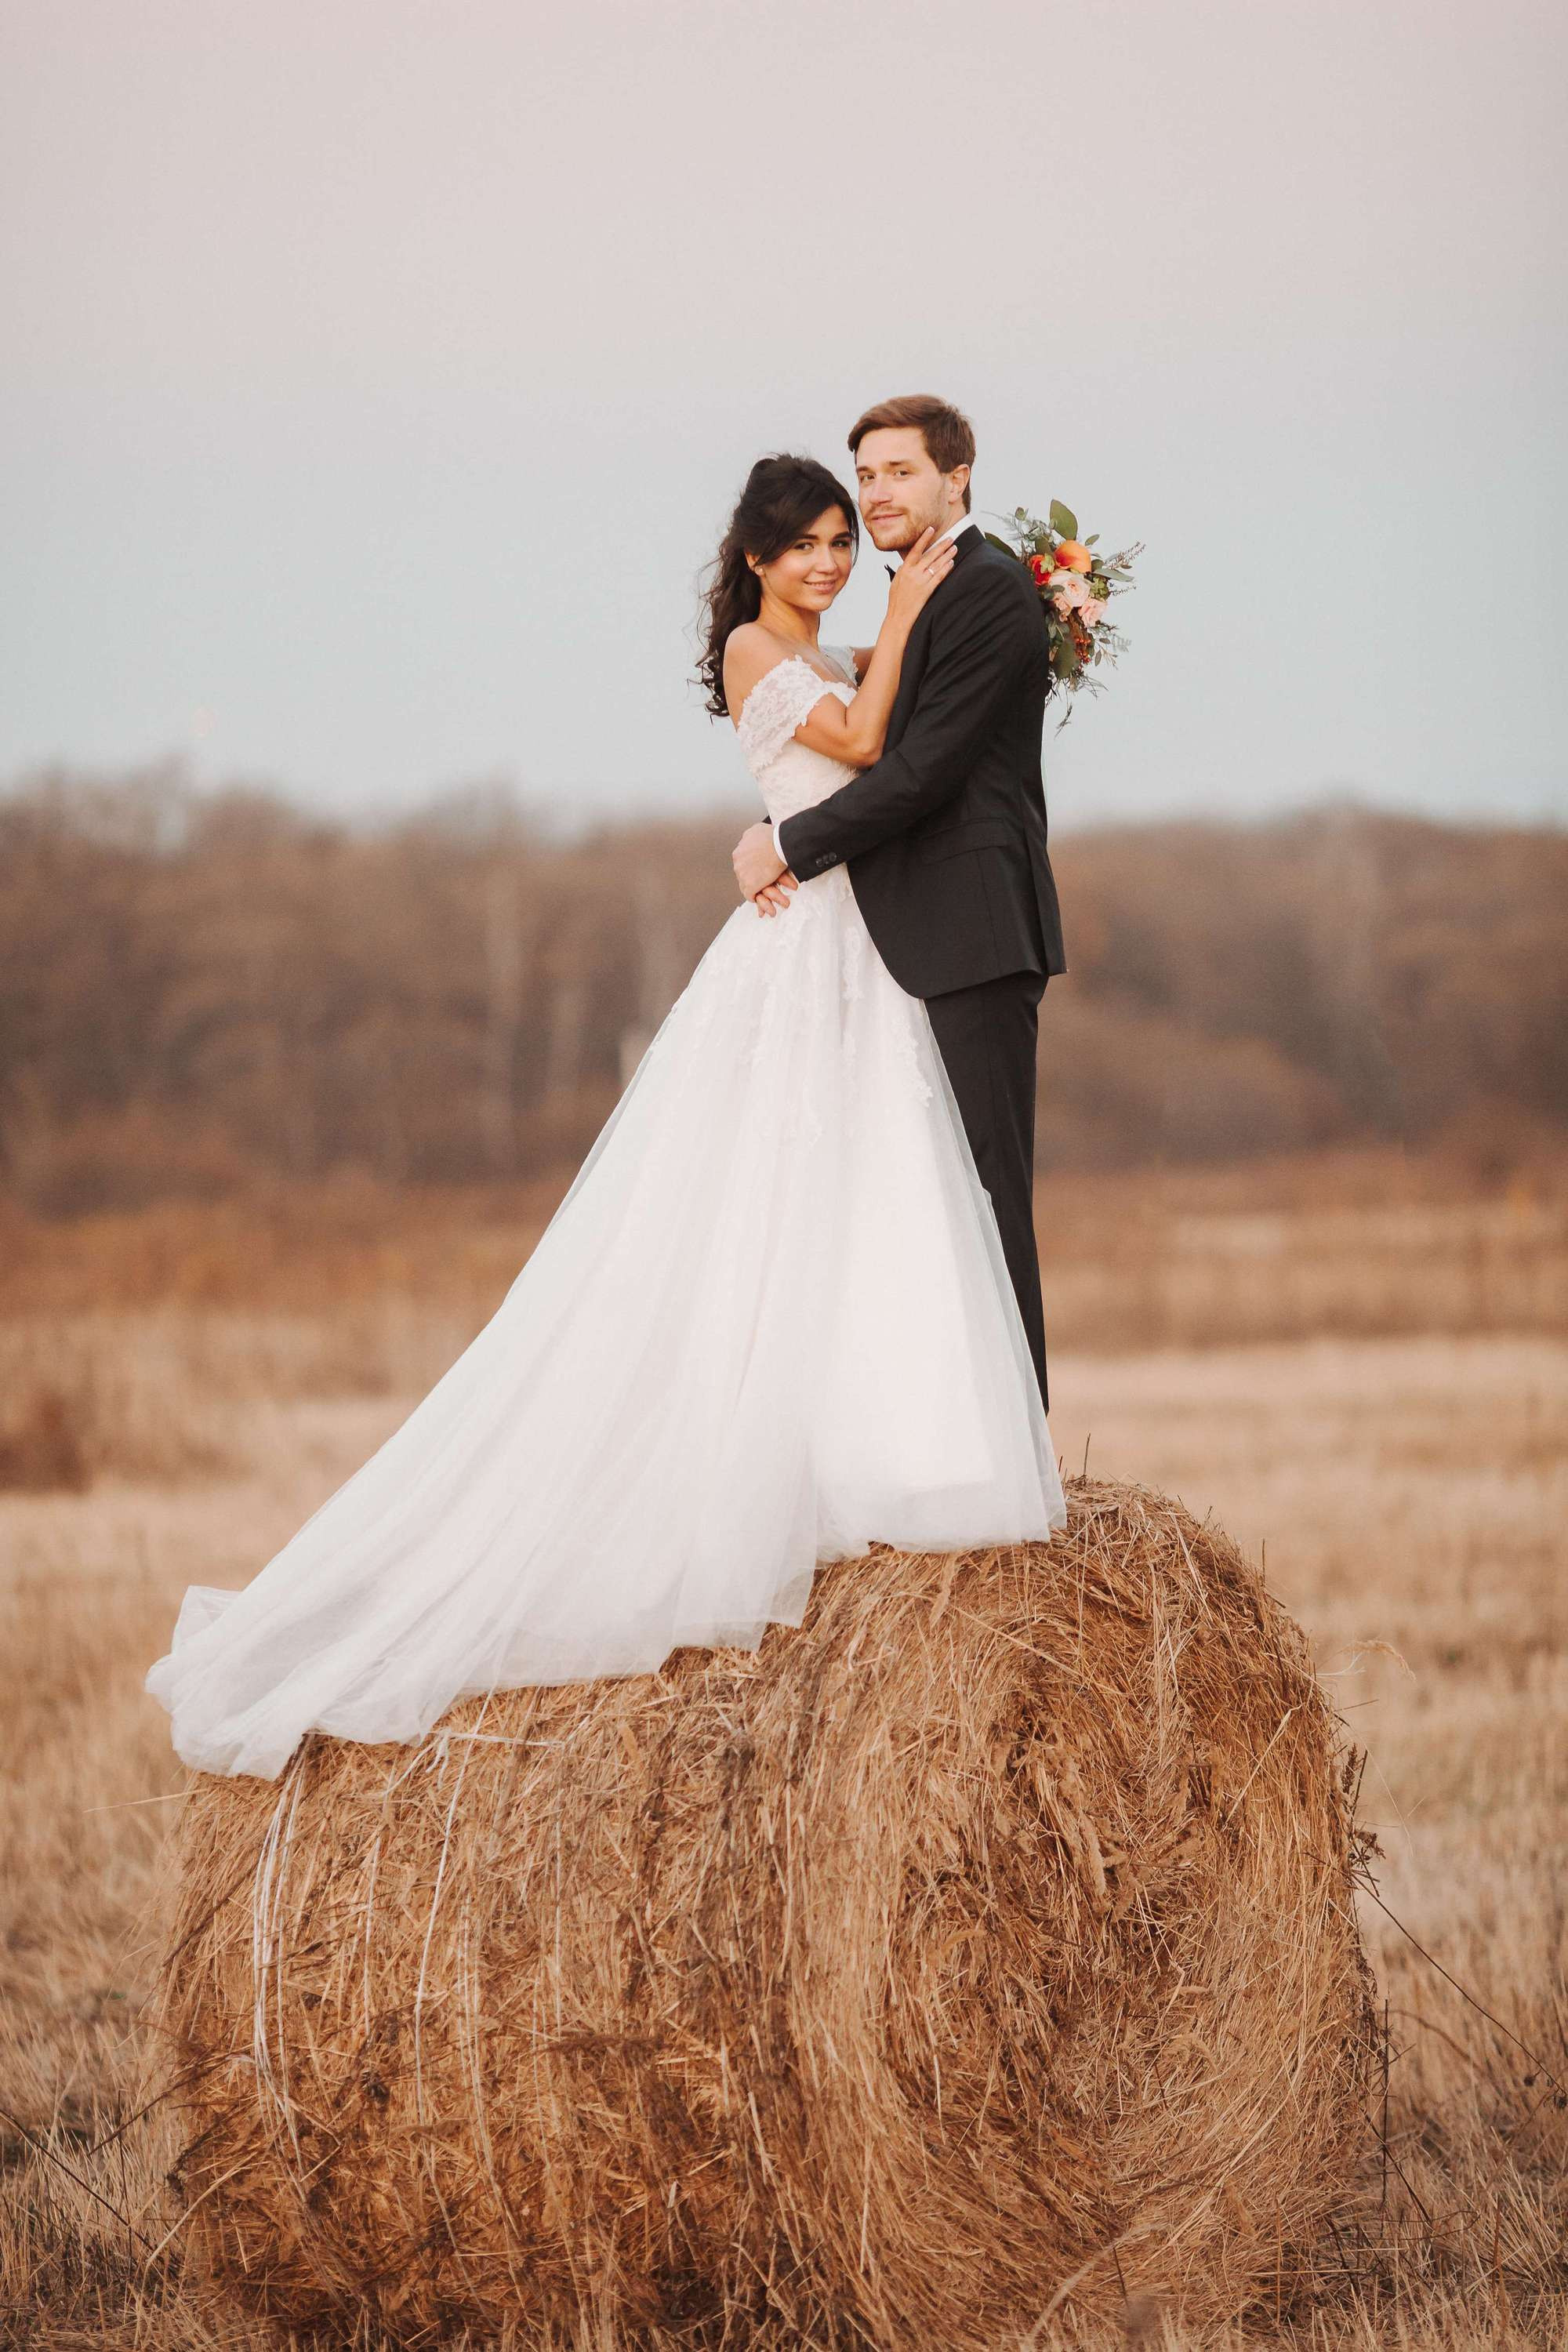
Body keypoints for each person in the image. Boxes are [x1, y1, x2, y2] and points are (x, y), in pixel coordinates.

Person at [145, 448, 1065, 1782]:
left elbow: (913, 747)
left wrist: (1001, 624)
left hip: (862, 950)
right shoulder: (762, 651)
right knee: (766, 1212)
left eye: (834, 540)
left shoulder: (832, 639)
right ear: (754, 560)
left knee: (868, 1210)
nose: (824, 559)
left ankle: (885, 1453)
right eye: (801, 543)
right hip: (807, 957)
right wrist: (921, 608)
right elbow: (869, 748)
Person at [731, 394, 1065, 1412]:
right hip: (890, 938)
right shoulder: (930, 595)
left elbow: (912, 770)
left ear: (955, 479)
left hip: (967, 928)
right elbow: (873, 714)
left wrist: (785, 844)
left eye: (897, 474)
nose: (877, 495)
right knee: (903, 1195)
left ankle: (1016, 1452)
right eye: (866, 476)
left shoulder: (986, 591)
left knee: (986, 1192)